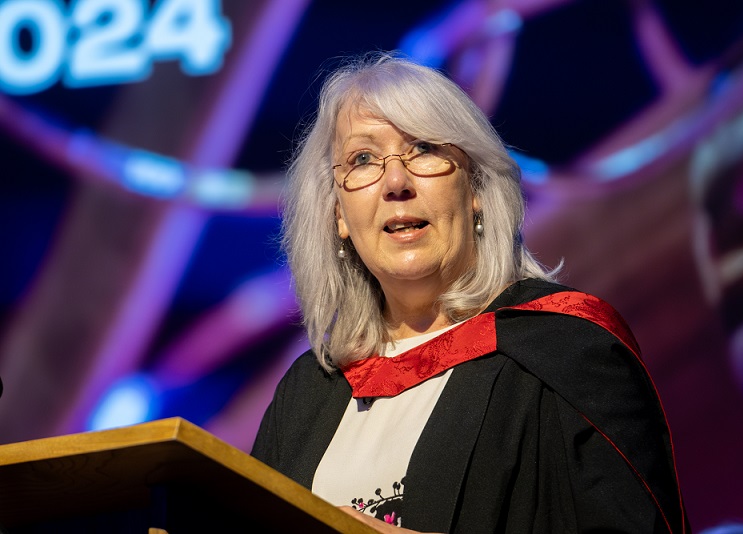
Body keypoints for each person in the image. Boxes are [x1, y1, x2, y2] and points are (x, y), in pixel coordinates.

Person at [251, 52, 689, 533]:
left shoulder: (569, 354)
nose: (396, 182)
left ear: (476, 187)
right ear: (339, 215)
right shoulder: (306, 396)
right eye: (362, 159)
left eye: (423, 149)